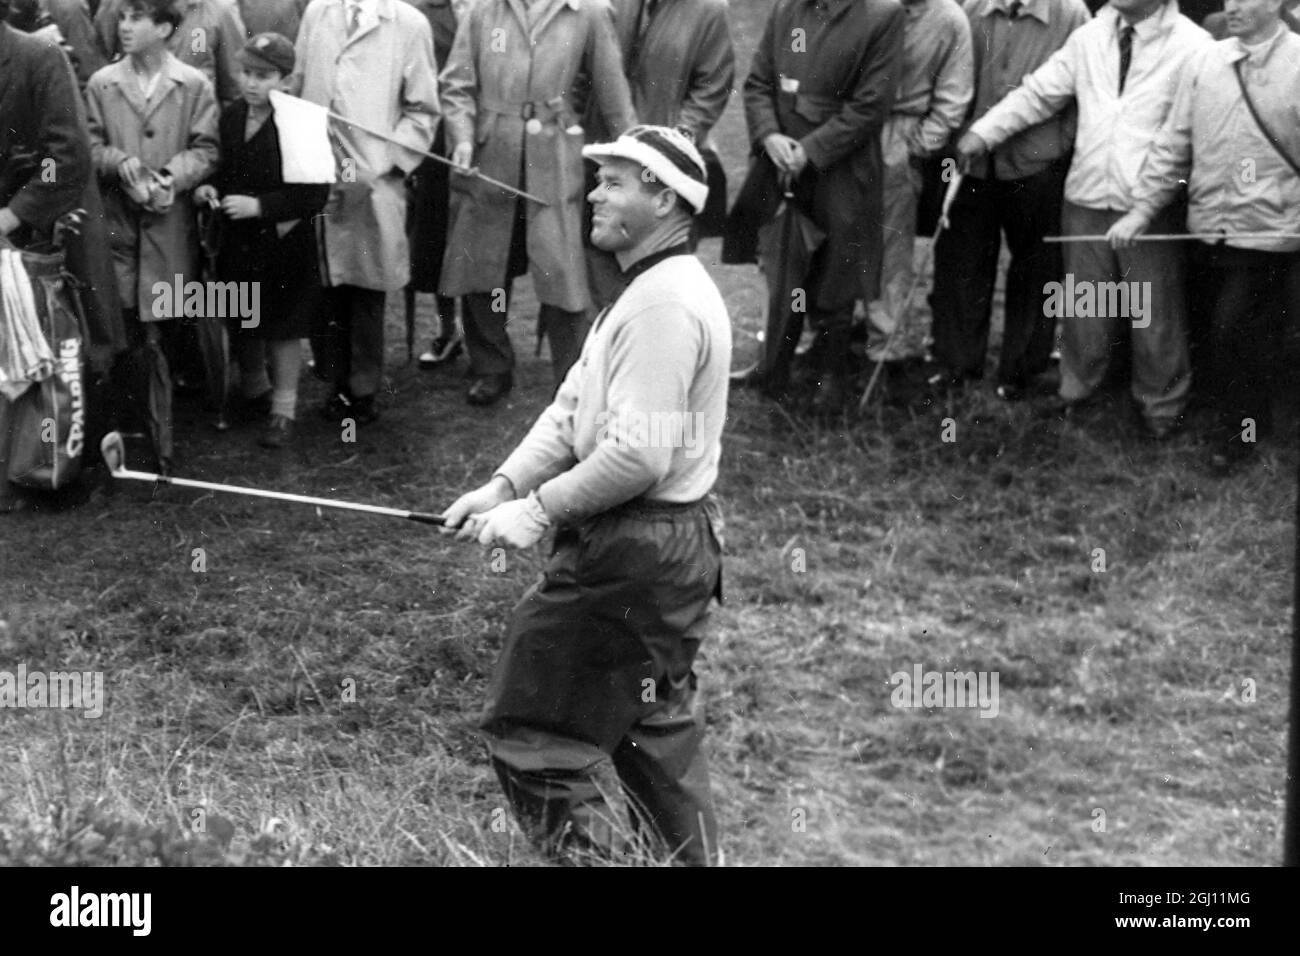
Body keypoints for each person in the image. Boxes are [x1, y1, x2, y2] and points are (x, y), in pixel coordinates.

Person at [440, 125, 729, 865]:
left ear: (664, 197)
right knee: (649, 730)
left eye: (614, 181)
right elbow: (571, 412)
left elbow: (637, 453)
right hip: (661, 548)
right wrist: (501, 486)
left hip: (637, 547)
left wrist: (536, 513)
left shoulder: (663, 304)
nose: (592, 193)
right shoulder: (640, 288)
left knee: (534, 733)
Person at [956, 0, 1211, 432]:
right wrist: (984, 132)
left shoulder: (1194, 46)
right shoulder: (1091, 35)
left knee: (1152, 311)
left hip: (1149, 204)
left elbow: (1181, 137)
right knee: (1085, 305)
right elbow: (1039, 93)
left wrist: (1148, 204)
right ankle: (1079, 390)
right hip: (1087, 194)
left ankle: (1162, 408)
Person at [1108, 0, 1300, 472]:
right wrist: (1141, 211)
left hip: (1270, 231)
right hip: (1208, 226)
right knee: (1222, 328)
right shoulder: (1206, 62)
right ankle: (1236, 413)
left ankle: (1240, 436)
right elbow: (1174, 144)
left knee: (1234, 326)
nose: (1230, 6)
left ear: (1278, 3)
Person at [438, 0, 637, 405]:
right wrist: (461, 136)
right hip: (490, 152)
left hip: (555, 157)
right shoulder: (482, 11)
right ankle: (491, 365)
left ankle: (572, 377)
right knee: (483, 264)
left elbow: (613, 93)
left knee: (560, 267)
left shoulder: (589, 13)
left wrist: (634, 155)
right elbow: (457, 85)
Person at [730, 0, 906, 412]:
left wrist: (810, 150)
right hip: (781, 164)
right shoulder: (788, 10)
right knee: (781, 265)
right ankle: (774, 367)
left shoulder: (883, 15)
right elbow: (758, 83)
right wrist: (770, 135)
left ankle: (831, 378)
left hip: (841, 168)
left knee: (836, 275)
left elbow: (870, 105)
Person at [926, 0, 1091, 398]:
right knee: (962, 262)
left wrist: (1058, 144)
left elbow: (1082, 93)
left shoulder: (1072, 15)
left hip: (1036, 165)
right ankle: (957, 364)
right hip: (973, 162)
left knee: (1037, 267)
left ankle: (1024, 370)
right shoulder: (970, 8)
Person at [84, 0, 219, 472]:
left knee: (167, 324)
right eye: (122, 18)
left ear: (163, 28)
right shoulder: (102, 84)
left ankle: (163, 431)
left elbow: (206, 148)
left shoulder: (193, 85)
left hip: (169, 227)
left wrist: (168, 179)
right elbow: (90, 143)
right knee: (125, 327)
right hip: (119, 228)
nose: (124, 27)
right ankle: (125, 431)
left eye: (136, 19)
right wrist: (120, 165)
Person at [291, 0, 440, 425]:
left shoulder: (408, 24)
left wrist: (387, 164)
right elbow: (301, 82)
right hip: (318, 168)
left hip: (374, 180)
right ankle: (332, 379)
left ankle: (363, 388)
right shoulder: (318, 12)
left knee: (366, 286)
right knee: (325, 282)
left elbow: (423, 108)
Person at [194, 33, 329, 448]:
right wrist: (209, 188)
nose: (252, 84)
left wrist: (261, 207)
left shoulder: (302, 123)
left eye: (265, 76)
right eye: (247, 74)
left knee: (284, 325)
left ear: (286, 80)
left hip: (284, 242)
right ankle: (254, 386)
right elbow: (222, 168)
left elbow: (314, 194)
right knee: (243, 313)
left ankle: (283, 409)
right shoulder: (232, 116)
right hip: (239, 241)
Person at [580, 0, 735, 308]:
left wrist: (678, 140)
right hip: (603, 153)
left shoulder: (709, 9)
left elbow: (712, 86)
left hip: (661, 164)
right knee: (599, 251)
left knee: (654, 257)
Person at [863, 0, 972, 378]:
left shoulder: (949, 19)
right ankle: (828, 334)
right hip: (847, 130)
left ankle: (885, 344)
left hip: (900, 134)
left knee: (891, 245)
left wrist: (914, 148)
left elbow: (952, 100)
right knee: (834, 234)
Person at [403, 0, 461, 371]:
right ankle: (448, 328)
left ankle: (487, 338)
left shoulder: (483, 11)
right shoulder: (415, 12)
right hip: (431, 141)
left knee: (477, 246)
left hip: (479, 140)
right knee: (432, 242)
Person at [95, 0, 247, 107]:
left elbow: (234, 86)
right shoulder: (118, 5)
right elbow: (99, 62)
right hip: (131, 122)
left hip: (191, 126)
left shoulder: (218, 10)